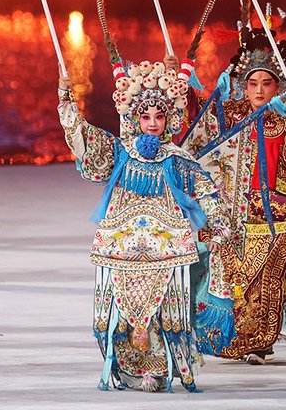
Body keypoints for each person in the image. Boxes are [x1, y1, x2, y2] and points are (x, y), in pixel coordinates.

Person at [58, 54, 227, 392]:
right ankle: (132, 370)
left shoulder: (178, 159)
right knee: (120, 312)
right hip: (121, 244)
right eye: (145, 116)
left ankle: (160, 369)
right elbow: (81, 136)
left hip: (167, 248)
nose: (152, 124)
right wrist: (66, 98)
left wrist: (218, 224)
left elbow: (206, 190)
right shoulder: (118, 150)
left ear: (168, 119)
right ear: (134, 117)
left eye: (159, 117)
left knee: (167, 312)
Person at [182, 23, 286, 364]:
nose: (258, 90)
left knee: (266, 278)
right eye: (253, 83)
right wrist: (181, 76)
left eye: (266, 83)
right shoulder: (231, 114)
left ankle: (260, 341)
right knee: (238, 278)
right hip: (235, 213)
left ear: (277, 86)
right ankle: (239, 336)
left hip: (279, 214)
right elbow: (201, 123)